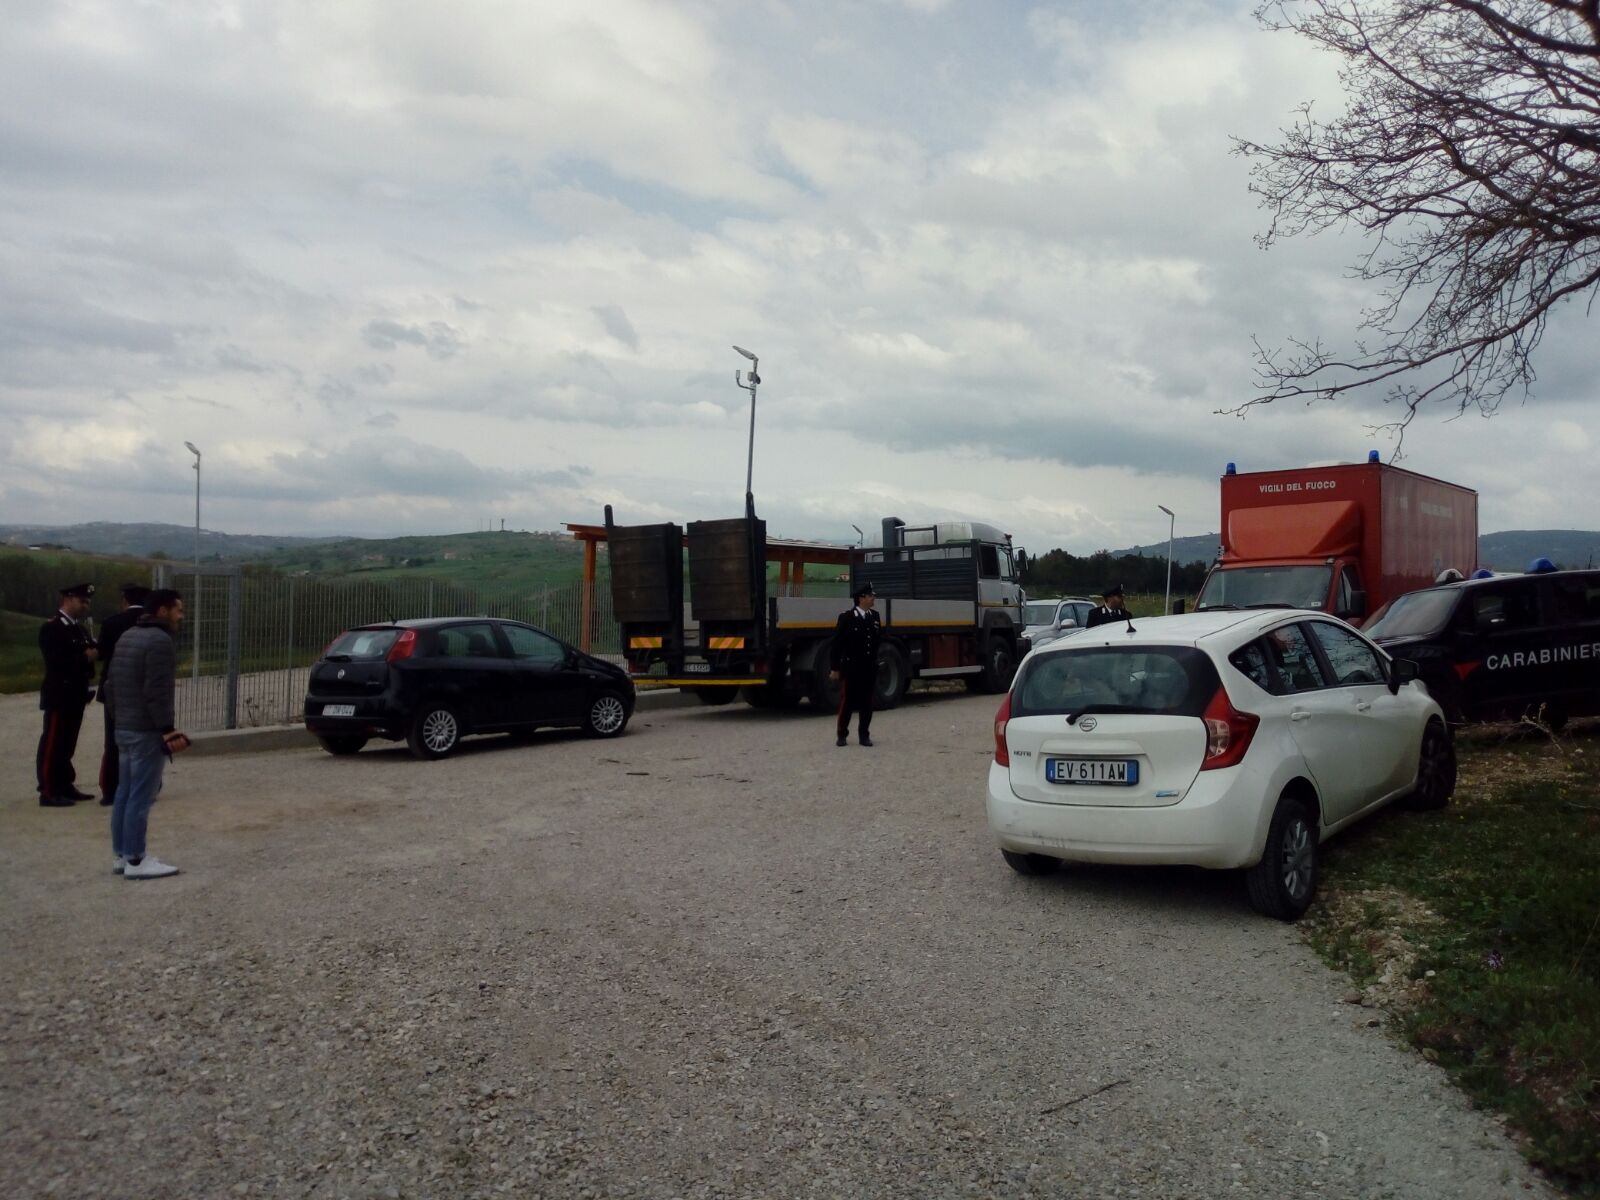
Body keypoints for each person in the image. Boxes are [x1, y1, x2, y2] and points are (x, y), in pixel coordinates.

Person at [108, 589, 191, 880]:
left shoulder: (127, 635)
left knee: (124, 792)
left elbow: (111, 685)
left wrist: (119, 718)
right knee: (141, 797)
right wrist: (167, 729)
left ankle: (121, 854)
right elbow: (157, 691)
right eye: (178, 610)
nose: (182, 615)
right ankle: (136, 859)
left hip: (124, 727)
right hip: (146, 731)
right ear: (163, 610)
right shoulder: (160, 641)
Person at [36, 582, 98, 807]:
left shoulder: (78, 628)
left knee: (67, 744)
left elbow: (88, 655)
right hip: (59, 693)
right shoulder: (53, 628)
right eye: (82, 601)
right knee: (53, 742)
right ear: (68, 599)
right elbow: (57, 662)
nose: (85, 605)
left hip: (76, 694)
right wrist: (85, 658)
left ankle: (64, 784)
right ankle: (48, 789)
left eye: (87, 602)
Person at [95, 583, 151, 806]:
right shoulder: (151, 624)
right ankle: (144, 786)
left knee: (114, 740)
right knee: (145, 739)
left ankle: (111, 790)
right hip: (143, 686)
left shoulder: (112, 622)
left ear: (125, 601)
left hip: (115, 688)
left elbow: (102, 654)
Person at [830, 581, 882, 748]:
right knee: (848, 702)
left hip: (868, 667)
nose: (873, 598)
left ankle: (864, 735)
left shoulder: (874, 617)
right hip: (852, 667)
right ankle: (842, 734)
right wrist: (835, 668)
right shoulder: (846, 617)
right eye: (870, 596)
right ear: (861, 598)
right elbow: (837, 644)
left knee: (867, 702)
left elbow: (876, 641)